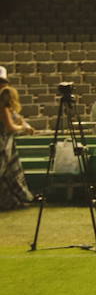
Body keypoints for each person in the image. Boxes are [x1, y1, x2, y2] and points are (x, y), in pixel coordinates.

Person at [0, 68, 34, 210]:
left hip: (7, 145)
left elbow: (18, 119)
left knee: (10, 174)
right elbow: (10, 127)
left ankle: (15, 201)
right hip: (2, 145)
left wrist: (25, 126)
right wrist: (23, 128)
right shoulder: (2, 106)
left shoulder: (7, 105)